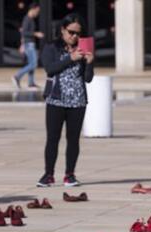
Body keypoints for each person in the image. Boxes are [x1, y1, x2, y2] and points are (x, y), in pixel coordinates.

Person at [37, 14, 94, 187]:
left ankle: (70, 174)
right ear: (62, 30)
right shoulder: (51, 48)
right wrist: (71, 58)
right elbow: (50, 69)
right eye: (71, 32)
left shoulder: (82, 48)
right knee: (53, 138)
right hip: (56, 100)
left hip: (78, 101)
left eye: (78, 33)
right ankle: (48, 174)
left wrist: (90, 63)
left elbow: (88, 79)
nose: (74, 36)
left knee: (73, 139)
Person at [12, 4, 44, 89]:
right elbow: (24, 32)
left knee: (31, 64)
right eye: (37, 11)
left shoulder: (30, 19)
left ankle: (31, 83)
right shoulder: (27, 19)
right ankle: (17, 76)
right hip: (29, 44)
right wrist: (36, 34)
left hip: (30, 44)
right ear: (32, 9)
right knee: (33, 64)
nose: (38, 13)